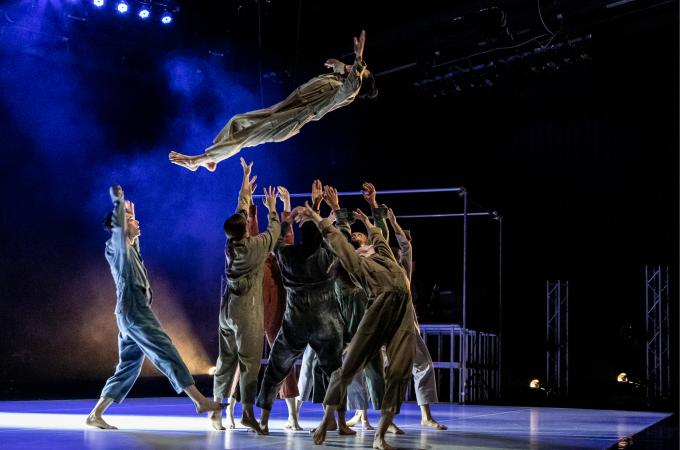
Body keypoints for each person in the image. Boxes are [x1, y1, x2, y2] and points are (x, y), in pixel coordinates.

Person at [86, 185, 223, 430]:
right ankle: (199, 400)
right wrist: (118, 203)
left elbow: (131, 242)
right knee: (165, 349)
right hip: (134, 311)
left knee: (128, 367)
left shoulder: (130, 248)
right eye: (131, 220)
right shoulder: (115, 247)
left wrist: (130, 218)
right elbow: (119, 236)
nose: (137, 222)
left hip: (131, 312)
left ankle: (95, 414)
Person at [296, 194, 416, 450]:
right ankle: (327, 418)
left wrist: (369, 217)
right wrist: (318, 217)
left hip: (404, 311)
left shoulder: (384, 254)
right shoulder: (358, 264)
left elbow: (379, 236)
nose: (360, 243)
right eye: (357, 243)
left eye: (363, 241)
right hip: (379, 308)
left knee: (399, 372)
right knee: (348, 367)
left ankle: (380, 436)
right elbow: (339, 242)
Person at [168, 30, 377, 172]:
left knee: (244, 136)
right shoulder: (337, 77)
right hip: (282, 108)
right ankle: (214, 158)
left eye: (358, 71)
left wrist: (359, 61)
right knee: (237, 121)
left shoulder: (346, 93)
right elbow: (344, 70)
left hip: (290, 119)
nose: (352, 68)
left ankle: (199, 161)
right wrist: (338, 63)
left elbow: (351, 86)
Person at [256, 181, 349, 436]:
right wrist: (331, 207)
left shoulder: (288, 256)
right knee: (334, 372)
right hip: (326, 321)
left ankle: (263, 421)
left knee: (276, 369)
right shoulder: (326, 255)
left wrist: (280, 214)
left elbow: (277, 239)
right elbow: (342, 235)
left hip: (295, 321)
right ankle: (340, 422)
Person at [210, 158, 280, 434]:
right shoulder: (254, 247)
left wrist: (245, 181)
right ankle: (248, 413)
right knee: (250, 362)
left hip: (226, 309)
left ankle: (216, 413)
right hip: (245, 311)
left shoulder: (230, 243)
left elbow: (240, 209)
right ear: (246, 229)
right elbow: (274, 233)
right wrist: (272, 210)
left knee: (225, 360)